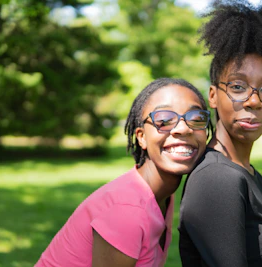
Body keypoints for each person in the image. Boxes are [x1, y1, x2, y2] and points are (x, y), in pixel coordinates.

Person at [35, 77, 211, 267]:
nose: (183, 129)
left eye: (196, 118)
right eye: (164, 120)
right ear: (141, 137)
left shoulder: (163, 195)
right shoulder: (127, 209)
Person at [178, 0, 262, 266]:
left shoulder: (244, 171)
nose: (254, 101)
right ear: (213, 96)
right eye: (237, 86)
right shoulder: (216, 179)